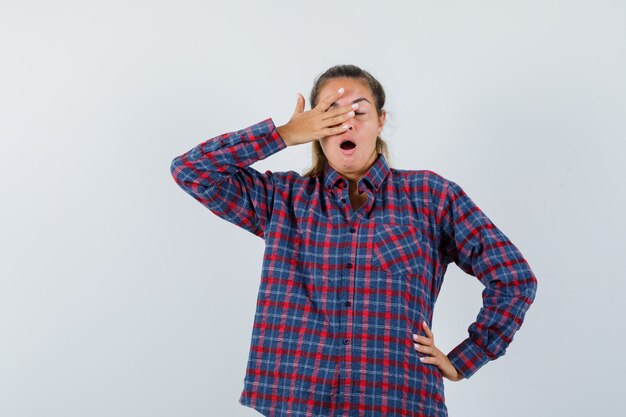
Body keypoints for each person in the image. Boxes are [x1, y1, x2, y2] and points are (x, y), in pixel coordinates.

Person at [170, 64, 538, 417]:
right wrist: (284, 134)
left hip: (398, 401)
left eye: (359, 111)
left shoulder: (431, 195)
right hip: (296, 402)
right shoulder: (280, 199)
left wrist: (464, 360)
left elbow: (514, 278)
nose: (345, 122)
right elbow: (192, 171)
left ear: (380, 121)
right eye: (329, 113)